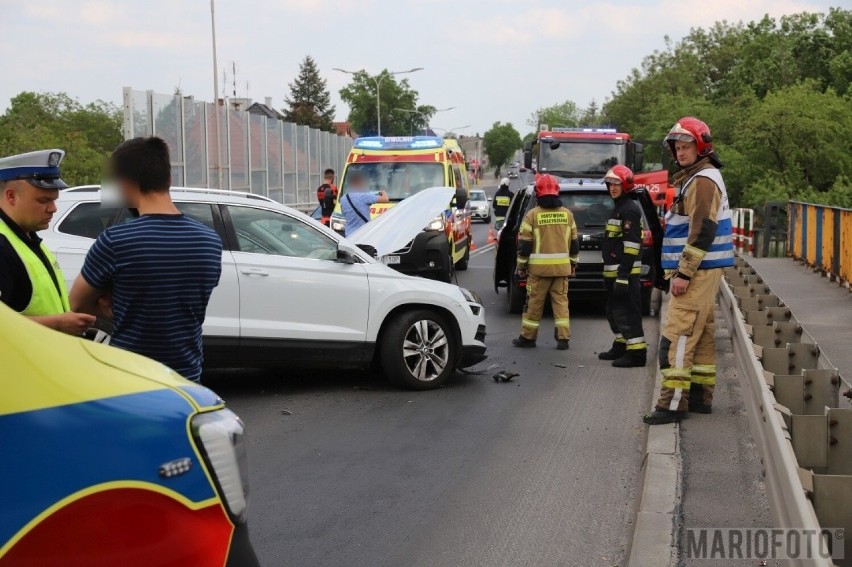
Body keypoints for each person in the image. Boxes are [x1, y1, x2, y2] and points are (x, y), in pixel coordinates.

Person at [69, 137, 222, 383]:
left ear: (126, 183)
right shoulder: (210, 241)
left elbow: (76, 303)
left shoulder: (115, 241)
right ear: (169, 179)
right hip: (187, 377)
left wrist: (112, 311)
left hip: (130, 377)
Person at [644, 117, 734, 425]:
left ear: (701, 148)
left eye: (686, 147)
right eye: (678, 148)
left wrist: (683, 273)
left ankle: (672, 404)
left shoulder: (703, 181)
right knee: (703, 334)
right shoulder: (701, 177)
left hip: (696, 273)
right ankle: (699, 397)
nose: (681, 153)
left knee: (677, 336)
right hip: (706, 271)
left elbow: (703, 229)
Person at [0, 149, 96, 334]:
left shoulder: (28, 237)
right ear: (11, 196)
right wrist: (57, 324)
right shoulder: (3, 246)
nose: (53, 208)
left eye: (54, 200)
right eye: (43, 200)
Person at [512, 174, 579, 350]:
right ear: (557, 192)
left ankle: (528, 338)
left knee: (534, 304)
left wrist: (521, 267)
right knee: (561, 304)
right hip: (561, 271)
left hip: (538, 272)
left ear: (538, 193)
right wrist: (573, 265)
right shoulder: (568, 215)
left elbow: (524, 247)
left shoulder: (532, 216)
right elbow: (574, 245)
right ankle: (563, 339)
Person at [598, 165, 647, 368]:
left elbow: (632, 245)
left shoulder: (628, 209)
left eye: (617, 183)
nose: (613, 188)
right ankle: (621, 344)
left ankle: (636, 354)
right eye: (611, 184)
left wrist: (623, 275)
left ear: (625, 185)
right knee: (614, 312)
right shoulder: (619, 207)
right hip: (615, 273)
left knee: (628, 314)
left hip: (625, 274)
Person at [340, 169, 388, 237]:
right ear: (359, 182)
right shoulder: (364, 196)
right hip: (363, 235)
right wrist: (383, 192)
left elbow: (344, 213)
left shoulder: (343, 199)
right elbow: (385, 199)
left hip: (349, 235)